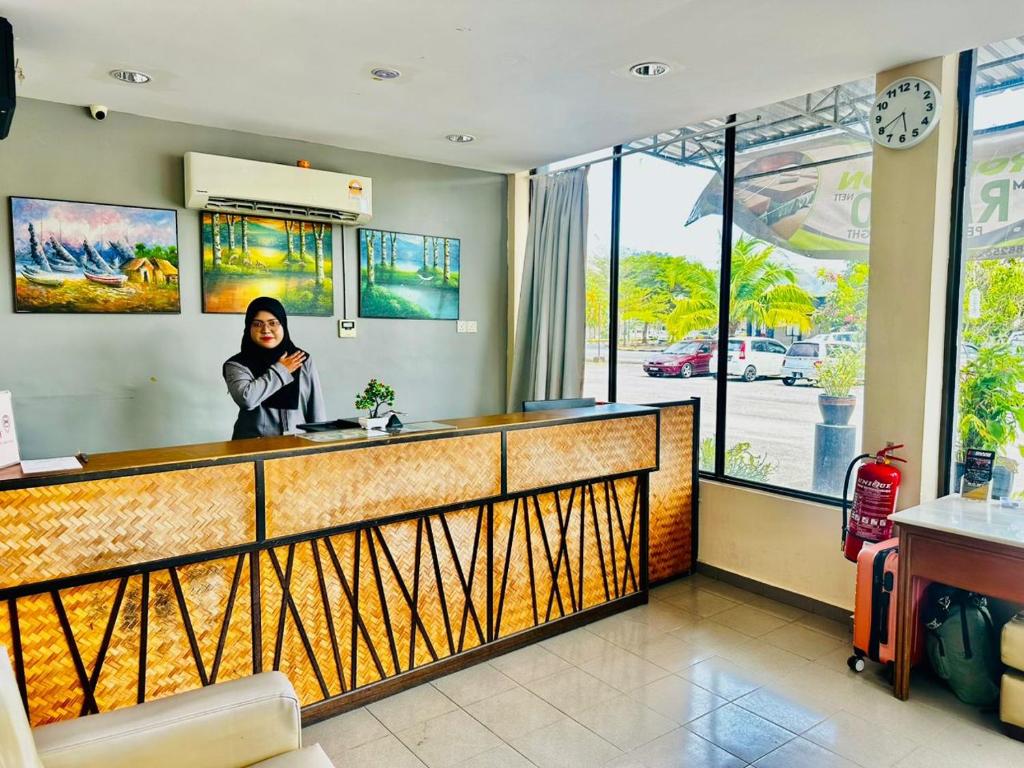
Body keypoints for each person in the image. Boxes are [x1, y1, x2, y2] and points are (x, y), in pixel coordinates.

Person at [223, 296, 326, 439]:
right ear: (249, 328)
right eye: (257, 324)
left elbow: (316, 409)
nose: (265, 330)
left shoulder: (301, 359)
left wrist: (321, 442)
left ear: (283, 325)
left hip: (298, 444)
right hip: (253, 447)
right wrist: (281, 370)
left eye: (273, 323)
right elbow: (247, 399)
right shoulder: (237, 364)